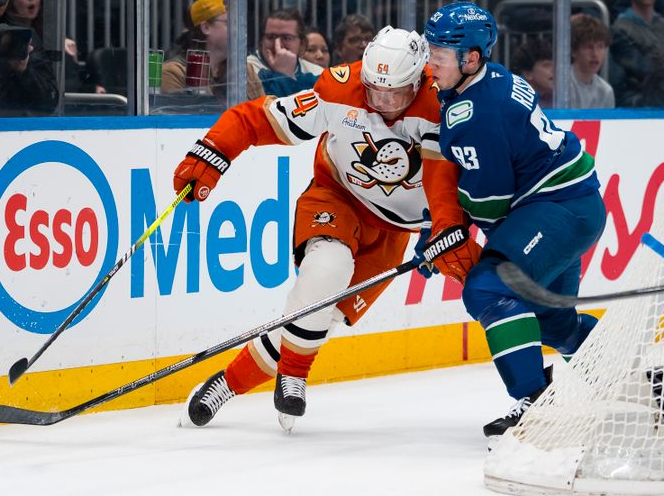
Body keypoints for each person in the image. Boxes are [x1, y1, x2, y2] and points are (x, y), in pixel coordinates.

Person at [174, 26, 454, 431]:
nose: (385, 104)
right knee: (327, 269)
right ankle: (294, 375)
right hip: (336, 197)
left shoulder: (445, 104)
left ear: (419, 79)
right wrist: (215, 150)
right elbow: (257, 119)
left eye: (395, 94)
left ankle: (226, 384)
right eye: (376, 92)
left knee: (317, 320)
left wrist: (446, 223)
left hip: (395, 232)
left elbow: (472, 174)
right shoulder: (340, 90)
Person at [423, 1, 606, 437]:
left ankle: (534, 400)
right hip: (568, 206)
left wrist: (444, 231)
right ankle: (648, 383)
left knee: (488, 288)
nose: (431, 65)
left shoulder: (478, 115)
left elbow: (490, 206)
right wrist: (443, 227)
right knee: (552, 322)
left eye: (440, 56)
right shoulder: (488, 81)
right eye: (430, 51)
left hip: (557, 210)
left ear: (470, 58)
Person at [162, 0, 264, 100]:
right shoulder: (173, 72)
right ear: (206, 28)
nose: (238, 30)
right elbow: (177, 115)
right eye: (230, 23)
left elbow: (262, 113)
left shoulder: (245, 70)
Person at [248, 9, 323, 97]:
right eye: (270, 37)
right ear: (261, 41)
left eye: (286, 38)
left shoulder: (318, 73)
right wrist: (283, 75)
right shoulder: (247, 71)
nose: (277, 44)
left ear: (302, 44)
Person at [569, 14, 615, 108]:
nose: (595, 54)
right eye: (588, 47)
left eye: (600, 47)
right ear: (573, 51)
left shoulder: (606, 91)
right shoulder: (561, 86)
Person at [509, 37, 554, 109]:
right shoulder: (513, 103)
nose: (554, 70)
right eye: (547, 65)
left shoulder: (556, 96)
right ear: (528, 74)